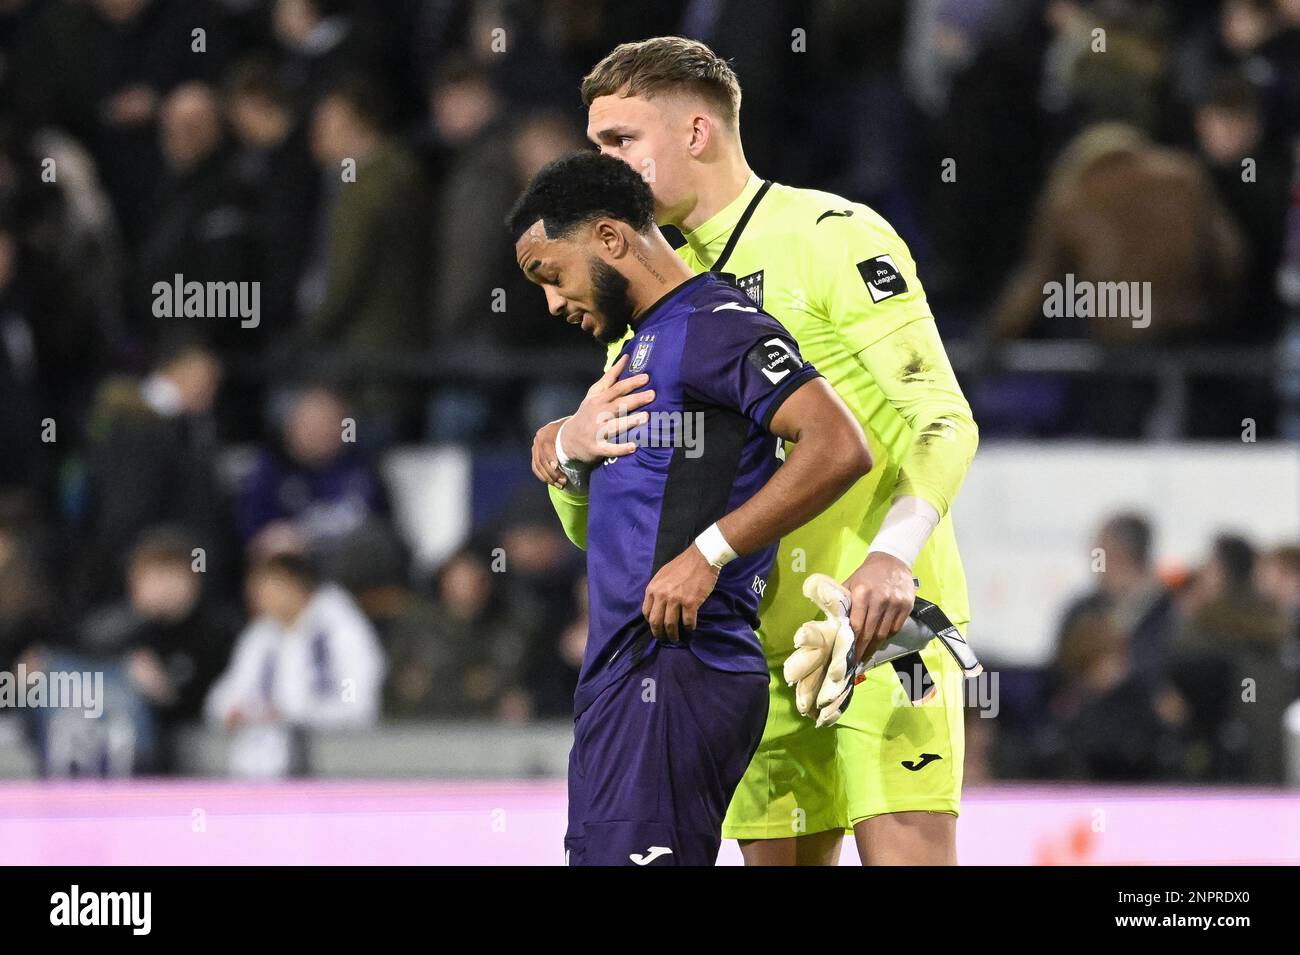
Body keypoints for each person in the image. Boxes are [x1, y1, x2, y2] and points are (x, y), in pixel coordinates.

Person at [530, 38, 979, 865]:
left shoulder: (832, 236)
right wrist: (566, 448)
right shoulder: (644, 291)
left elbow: (942, 418)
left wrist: (892, 556)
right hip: (747, 654)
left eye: (619, 143)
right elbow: (619, 530)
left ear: (697, 133)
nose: (601, 164)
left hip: (882, 633)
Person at [509, 150, 873, 865]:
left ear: (610, 238)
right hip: (621, 682)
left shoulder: (713, 323)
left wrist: (711, 553)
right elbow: (616, 520)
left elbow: (839, 444)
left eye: (552, 275)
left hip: (674, 668)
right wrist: (566, 447)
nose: (552, 303)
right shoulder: (636, 349)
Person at [204, 552, 384, 731]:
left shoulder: (340, 628)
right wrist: (235, 711)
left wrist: (296, 716)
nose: (258, 595)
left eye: (270, 586)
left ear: (297, 586)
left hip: (338, 746)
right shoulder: (260, 635)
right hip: (272, 747)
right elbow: (230, 692)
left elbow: (354, 700)